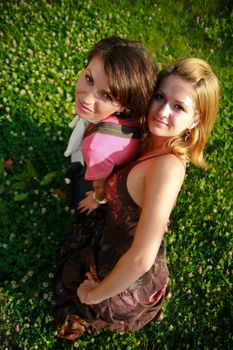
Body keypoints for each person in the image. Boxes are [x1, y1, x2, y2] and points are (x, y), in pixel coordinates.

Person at [54, 57, 220, 340]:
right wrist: (102, 197)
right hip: (113, 231)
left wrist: (95, 295)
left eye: (178, 107)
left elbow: (142, 259)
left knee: (78, 292)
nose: (162, 112)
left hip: (126, 273)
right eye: (159, 97)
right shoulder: (149, 135)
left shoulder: (167, 167)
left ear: (196, 119)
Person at [63, 36, 156, 216]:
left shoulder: (95, 147)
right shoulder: (137, 113)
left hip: (110, 175)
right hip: (119, 161)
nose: (87, 99)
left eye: (106, 95)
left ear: (126, 105)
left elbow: (100, 184)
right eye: (89, 78)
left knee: (77, 202)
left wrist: (97, 199)